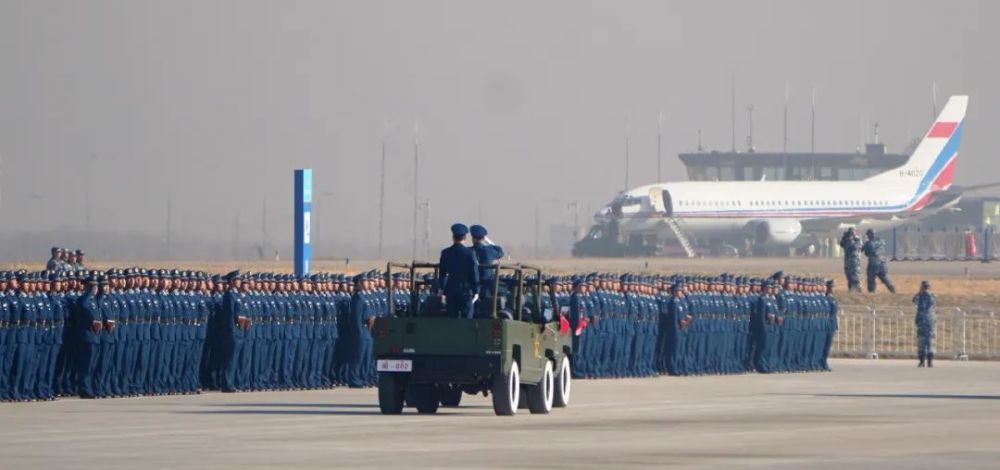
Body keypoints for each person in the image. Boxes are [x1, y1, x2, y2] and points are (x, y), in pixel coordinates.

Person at [438, 223, 480, 319]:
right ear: (465, 237)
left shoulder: (445, 253)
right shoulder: (469, 253)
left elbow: (442, 273)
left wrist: (441, 288)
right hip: (466, 290)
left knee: (452, 319)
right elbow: (474, 272)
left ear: (453, 237)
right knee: (467, 319)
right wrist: (476, 290)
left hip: (451, 289)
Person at [470, 224, 504, 312]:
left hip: (470, 287)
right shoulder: (489, 250)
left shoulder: (468, 251)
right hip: (486, 287)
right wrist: (488, 241)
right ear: (483, 238)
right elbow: (500, 252)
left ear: (472, 238)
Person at [862, 229, 896, 293]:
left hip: (873, 262)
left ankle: (871, 292)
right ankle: (892, 289)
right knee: (884, 276)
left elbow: (866, 253)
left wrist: (865, 246)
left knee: (871, 278)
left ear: (869, 235)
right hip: (882, 262)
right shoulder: (881, 241)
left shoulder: (869, 243)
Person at [913, 280, 936, 368]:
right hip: (930, 322)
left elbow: (914, 301)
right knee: (930, 342)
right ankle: (930, 361)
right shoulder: (933, 296)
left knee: (921, 342)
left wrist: (920, 292)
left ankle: (922, 361)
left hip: (922, 322)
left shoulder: (920, 296)